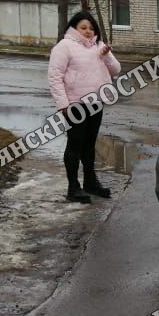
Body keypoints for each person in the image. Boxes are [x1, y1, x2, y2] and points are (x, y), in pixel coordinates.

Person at [48, 11, 121, 203]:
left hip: (96, 102)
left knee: (89, 144)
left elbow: (116, 70)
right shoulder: (64, 47)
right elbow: (55, 77)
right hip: (75, 104)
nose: (88, 31)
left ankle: (91, 182)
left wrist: (106, 56)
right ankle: (73, 187)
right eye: (83, 27)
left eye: (91, 28)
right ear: (74, 28)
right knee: (75, 144)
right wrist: (63, 104)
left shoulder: (98, 46)